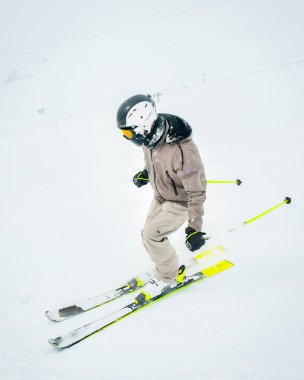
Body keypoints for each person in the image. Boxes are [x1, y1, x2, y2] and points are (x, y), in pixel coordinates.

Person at [116, 94, 207, 300]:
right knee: (146, 235)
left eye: (129, 132)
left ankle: (168, 276)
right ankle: (166, 265)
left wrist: (194, 229)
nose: (128, 137)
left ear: (143, 125)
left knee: (152, 235)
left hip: (182, 202)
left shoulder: (183, 150)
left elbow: (197, 192)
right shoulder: (151, 139)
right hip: (161, 196)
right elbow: (156, 160)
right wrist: (146, 173)